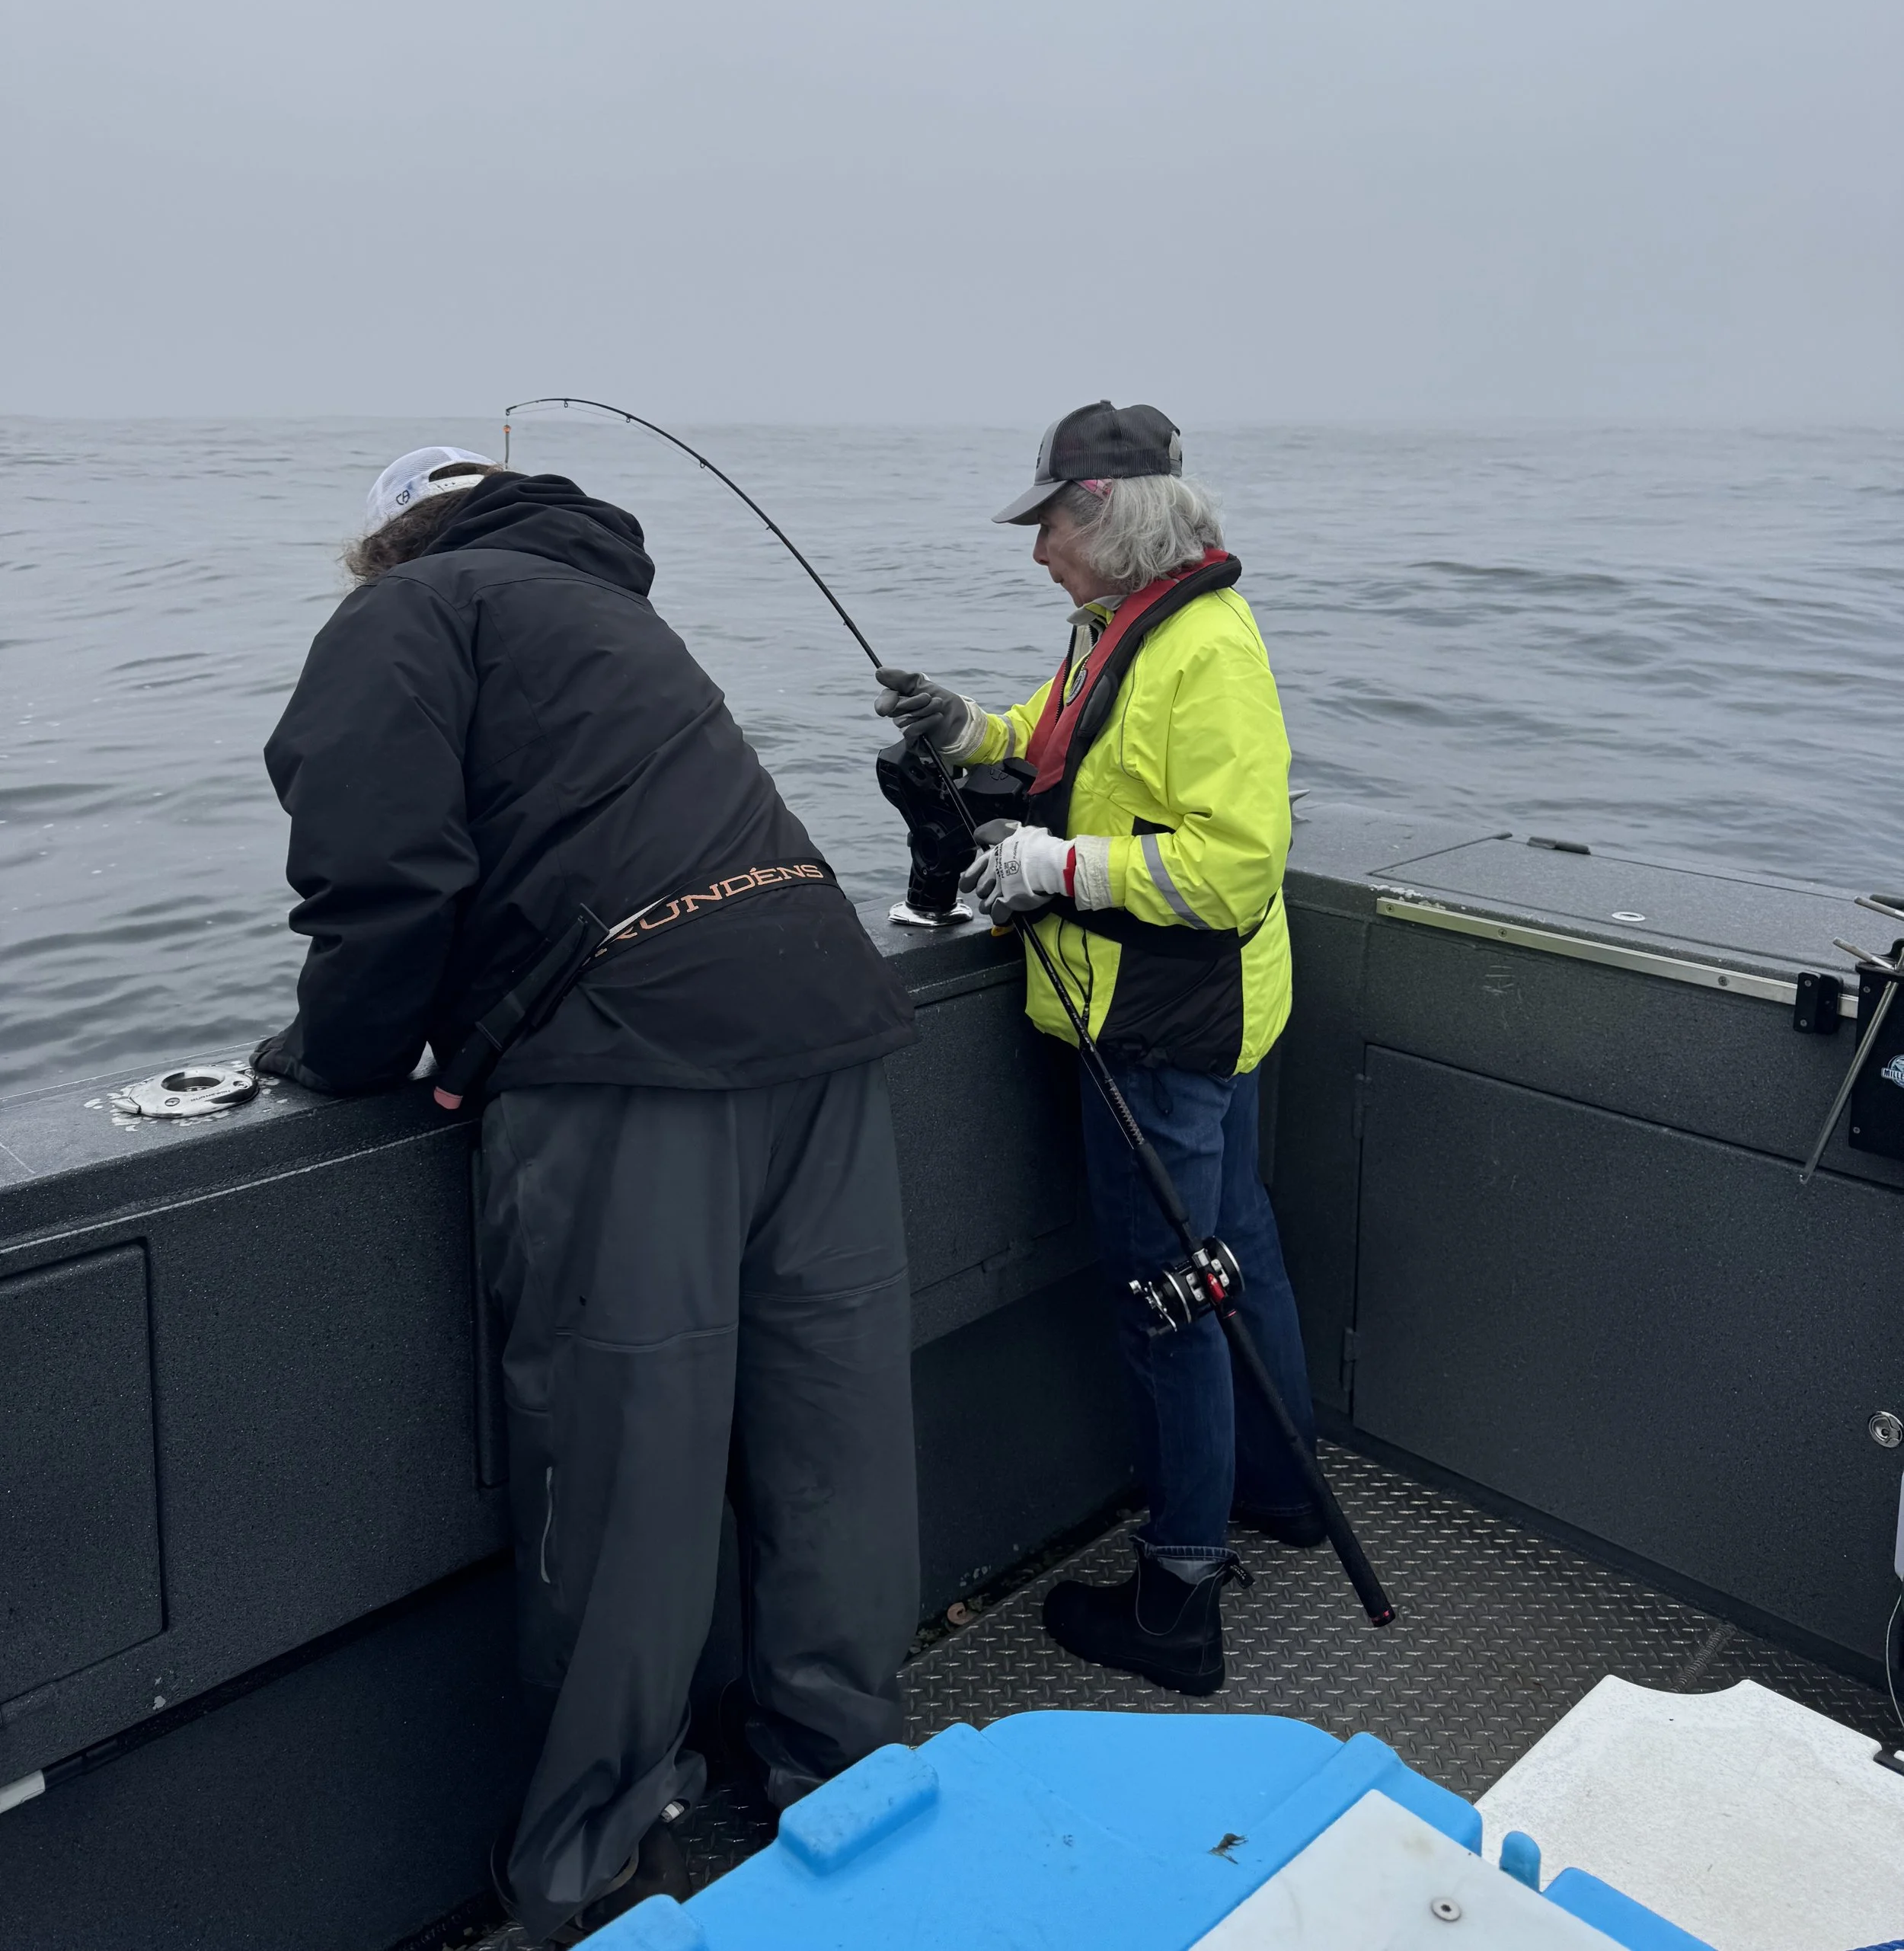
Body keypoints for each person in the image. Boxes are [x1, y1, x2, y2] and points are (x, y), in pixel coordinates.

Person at [255, 445, 920, 1948]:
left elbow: (378, 872)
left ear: (385, 543)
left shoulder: (407, 611)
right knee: (836, 1435)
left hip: (632, 1056)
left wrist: (339, 1052)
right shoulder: (615, 614)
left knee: (627, 1474)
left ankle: (588, 1862)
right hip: (821, 1014)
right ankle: (842, 1759)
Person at [875, 401, 1318, 1698]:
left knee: (1168, 1300)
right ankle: (1278, 1492)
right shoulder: (1122, 626)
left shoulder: (1208, 649)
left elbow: (1237, 865)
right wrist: (973, 729)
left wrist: (1056, 862)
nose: (1037, 554)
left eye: (1051, 524)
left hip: (1163, 1025)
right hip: (1204, 1017)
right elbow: (1066, 740)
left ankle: (1179, 1597)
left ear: (1110, 515)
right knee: (1241, 1255)